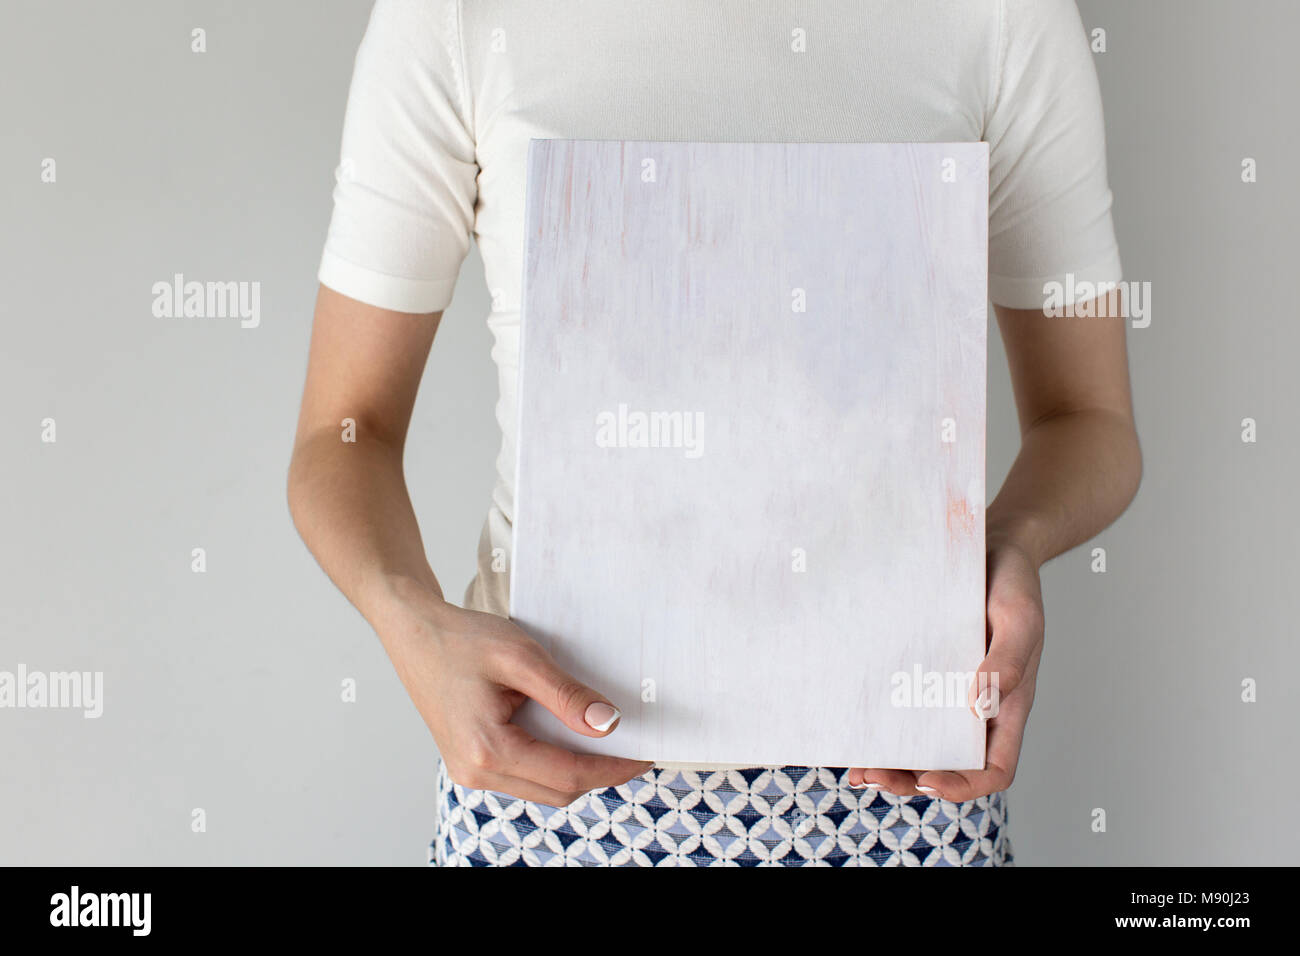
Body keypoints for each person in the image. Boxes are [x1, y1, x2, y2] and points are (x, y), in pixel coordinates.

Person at [288, 0, 1142, 866]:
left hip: (903, 792)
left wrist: (1006, 549)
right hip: (546, 792)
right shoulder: (456, 16)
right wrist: (410, 623)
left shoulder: (1003, 16)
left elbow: (1089, 419)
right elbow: (343, 431)